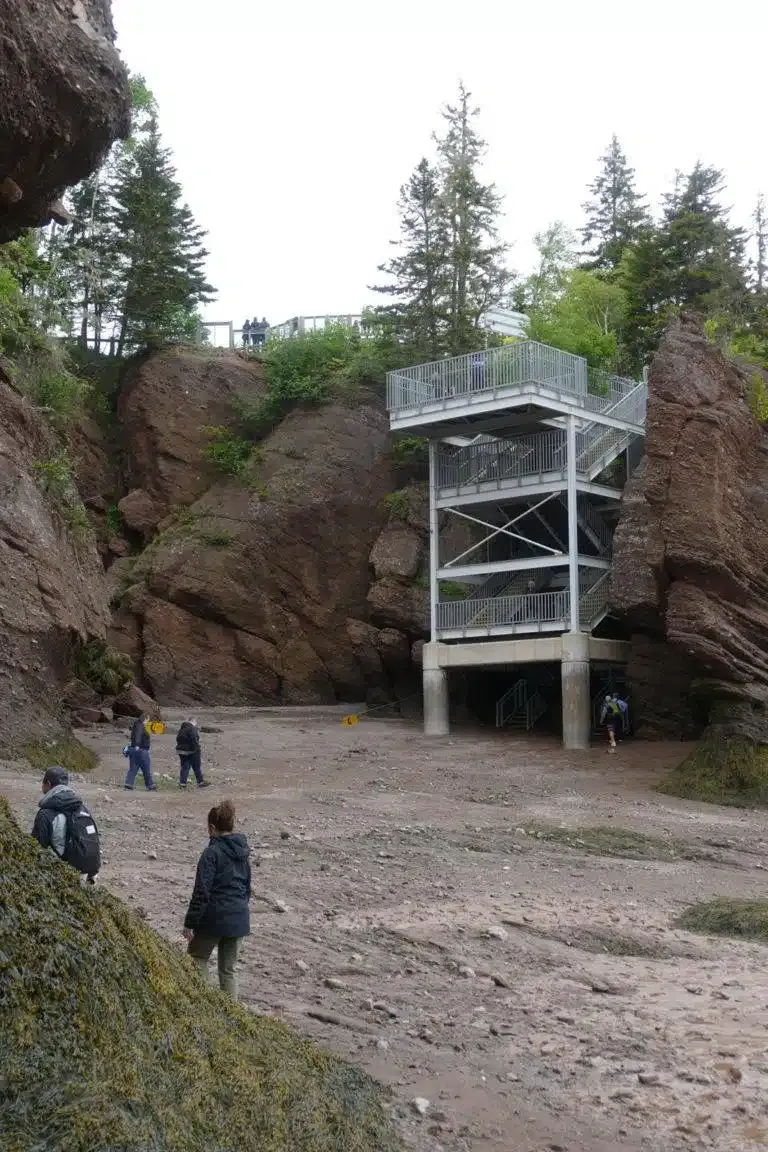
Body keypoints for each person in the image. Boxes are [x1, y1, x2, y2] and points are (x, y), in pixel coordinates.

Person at [183, 800, 251, 1001]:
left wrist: (190, 923)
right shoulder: (243, 852)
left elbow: (201, 891)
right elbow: (247, 886)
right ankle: (233, 1012)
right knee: (229, 969)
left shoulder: (211, 853)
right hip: (239, 917)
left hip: (214, 918)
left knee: (197, 958)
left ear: (212, 828)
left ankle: (205, 1004)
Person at [31, 766, 101, 884]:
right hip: (90, 870)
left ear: (48, 783)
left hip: (65, 873)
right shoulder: (82, 807)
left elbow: (36, 848)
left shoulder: (45, 813)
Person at [124, 713, 157, 791]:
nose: (148, 722)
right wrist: (137, 745)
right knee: (146, 768)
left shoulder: (136, 725)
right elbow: (138, 735)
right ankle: (150, 785)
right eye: (148, 720)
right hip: (141, 750)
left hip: (134, 750)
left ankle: (128, 784)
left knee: (133, 768)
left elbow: (135, 735)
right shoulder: (140, 726)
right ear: (145, 718)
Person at [176, 717, 210, 789]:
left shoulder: (182, 728)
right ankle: (200, 782)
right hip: (191, 751)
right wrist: (197, 749)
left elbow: (178, 739)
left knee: (185, 767)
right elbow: (194, 739)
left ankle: (182, 783)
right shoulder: (192, 729)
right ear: (194, 721)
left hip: (181, 751)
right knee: (196, 767)